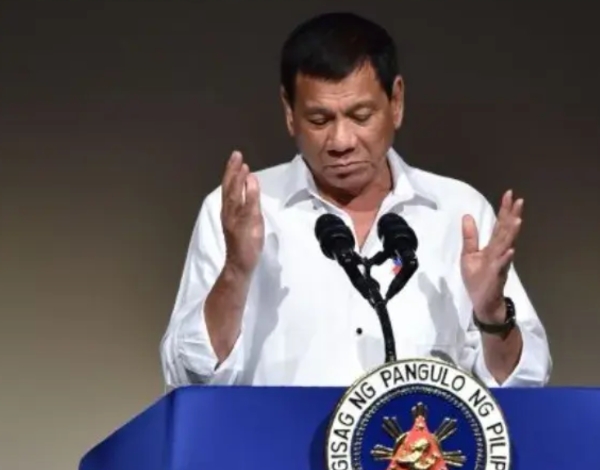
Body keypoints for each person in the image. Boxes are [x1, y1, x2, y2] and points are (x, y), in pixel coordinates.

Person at [159, 12, 552, 389]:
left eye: (361, 116)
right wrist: (235, 271)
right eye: (319, 120)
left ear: (396, 101)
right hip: (273, 439)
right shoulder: (241, 211)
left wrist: (491, 314)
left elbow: (525, 383)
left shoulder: (458, 213)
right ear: (289, 112)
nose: (341, 142)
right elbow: (187, 377)